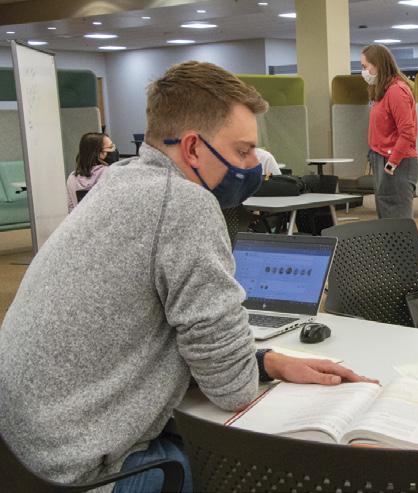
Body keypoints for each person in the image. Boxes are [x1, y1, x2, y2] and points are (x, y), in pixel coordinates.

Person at [0, 60, 374, 491]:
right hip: (83, 476)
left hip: (24, 457)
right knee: (250, 474)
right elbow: (232, 390)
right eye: (242, 151)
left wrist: (265, 361)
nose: (254, 165)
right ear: (193, 148)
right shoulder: (183, 203)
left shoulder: (120, 180)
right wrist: (243, 368)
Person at [360, 44, 418, 219]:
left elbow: (407, 132)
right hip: (382, 158)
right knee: (386, 217)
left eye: (365, 66)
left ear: (378, 64)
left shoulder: (396, 91)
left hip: (396, 162)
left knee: (397, 221)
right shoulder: (383, 90)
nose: (363, 71)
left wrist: (392, 163)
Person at [66, 132, 117, 211]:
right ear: (98, 153)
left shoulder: (72, 177)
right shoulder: (109, 173)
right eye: (110, 147)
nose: (114, 150)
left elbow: (71, 208)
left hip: (81, 218)